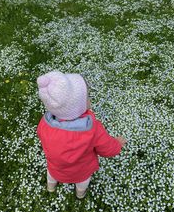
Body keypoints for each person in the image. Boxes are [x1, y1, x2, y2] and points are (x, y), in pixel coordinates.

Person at [37, 71, 127, 199]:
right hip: (81, 171)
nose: (89, 99)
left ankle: (50, 188)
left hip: (55, 168)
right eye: (87, 97)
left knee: (51, 174)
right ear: (76, 107)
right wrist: (117, 144)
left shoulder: (45, 123)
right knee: (83, 182)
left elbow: (40, 135)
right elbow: (107, 148)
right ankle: (80, 194)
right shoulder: (92, 128)